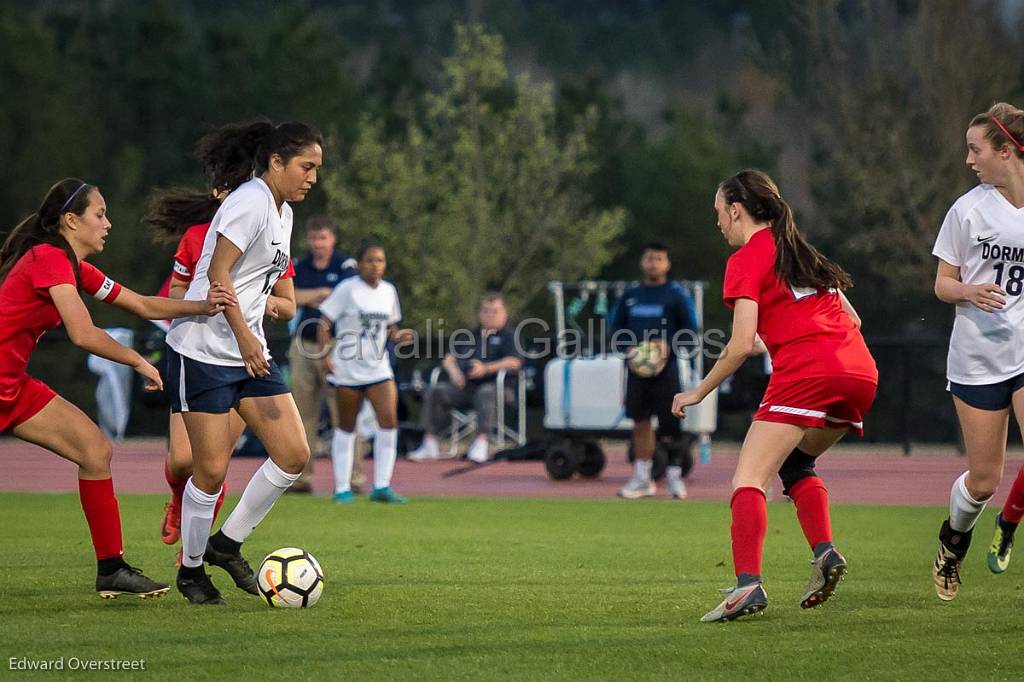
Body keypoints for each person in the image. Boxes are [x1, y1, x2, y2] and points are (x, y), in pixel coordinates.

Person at [0, 178, 234, 598]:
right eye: (99, 214)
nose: (108, 223)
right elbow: (83, 333)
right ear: (71, 220)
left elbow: (142, 304)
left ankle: (111, 568)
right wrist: (139, 360)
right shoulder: (50, 258)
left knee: (95, 451)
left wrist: (203, 306)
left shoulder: (72, 266)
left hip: (12, 386)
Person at [671, 169, 877, 623]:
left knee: (748, 478)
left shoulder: (747, 257)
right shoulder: (801, 251)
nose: (718, 222)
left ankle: (748, 585)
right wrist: (784, 336)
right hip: (859, 371)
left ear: (737, 210)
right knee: (796, 462)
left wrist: (698, 391)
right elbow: (853, 320)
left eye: (719, 213)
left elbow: (741, 344)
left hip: (808, 371)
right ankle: (824, 553)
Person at [166, 120, 318, 605]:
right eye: (306, 166)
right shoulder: (249, 202)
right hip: (204, 352)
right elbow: (217, 273)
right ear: (275, 162)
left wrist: (261, 324)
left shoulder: (284, 212)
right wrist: (244, 335)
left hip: (249, 353)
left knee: (294, 454)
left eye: (317, 168)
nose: (312, 177)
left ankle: (225, 544)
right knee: (208, 471)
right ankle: (191, 572)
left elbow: (267, 285)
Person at [145, 185, 296, 555]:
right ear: (218, 192)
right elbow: (177, 291)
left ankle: (195, 556)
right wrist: (200, 301)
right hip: (198, 351)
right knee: (183, 461)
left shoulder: (276, 225)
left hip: (246, 360)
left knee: (214, 468)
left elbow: (289, 306)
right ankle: (180, 505)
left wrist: (261, 301)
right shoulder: (197, 236)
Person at [929, 102, 1024, 596]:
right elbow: (942, 284)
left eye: (975, 148)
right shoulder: (967, 210)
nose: (968, 159)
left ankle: (1008, 525)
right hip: (977, 359)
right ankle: (955, 539)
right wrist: (968, 290)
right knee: (984, 480)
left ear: (1006, 150)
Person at [318, 238, 414, 504]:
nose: (375, 265)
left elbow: (390, 327)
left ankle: (382, 485)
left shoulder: (389, 291)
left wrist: (399, 335)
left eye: (380, 260)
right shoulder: (347, 289)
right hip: (348, 367)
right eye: (370, 260)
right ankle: (341, 488)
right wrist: (324, 355)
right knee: (346, 427)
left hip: (378, 366)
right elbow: (323, 323)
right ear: (360, 264)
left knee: (389, 421)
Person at [609, 243, 698, 499]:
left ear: (667, 264)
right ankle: (642, 478)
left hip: (666, 371)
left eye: (659, 259)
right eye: (649, 258)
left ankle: (673, 477)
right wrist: (629, 349)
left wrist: (668, 345)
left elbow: (691, 330)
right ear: (642, 262)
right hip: (637, 371)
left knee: (671, 425)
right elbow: (615, 328)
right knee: (640, 422)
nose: (653, 263)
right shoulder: (631, 294)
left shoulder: (676, 294)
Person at [408, 293, 523, 464]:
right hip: (466, 388)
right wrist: (454, 372)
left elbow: (515, 362)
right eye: (486, 311)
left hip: (498, 389)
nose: (490, 315)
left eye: (495, 311)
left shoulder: (510, 336)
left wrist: (485, 369)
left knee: (485, 393)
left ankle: (481, 442)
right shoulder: (469, 335)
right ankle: (430, 442)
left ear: (504, 313)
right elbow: (448, 358)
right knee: (436, 390)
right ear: (480, 313)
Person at [287, 215, 358, 493]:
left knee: (345, 412)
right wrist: (318, 293)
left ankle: (353, 479)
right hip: (304, 342)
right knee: (302, 413)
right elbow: (287, 295)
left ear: (333, 238)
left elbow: (349, 296)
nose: (319, 244)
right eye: (315, 238)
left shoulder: (345, 265)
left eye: (324, 238)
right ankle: (301, 477)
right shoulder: (300, 265)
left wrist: (315, 297)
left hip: (337, 344)